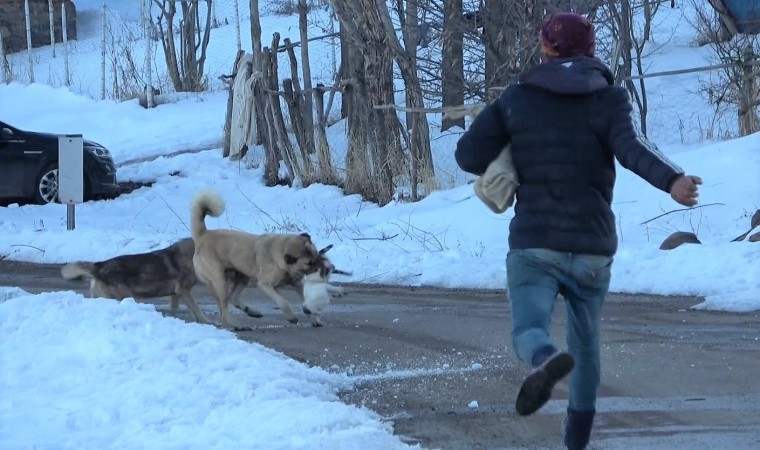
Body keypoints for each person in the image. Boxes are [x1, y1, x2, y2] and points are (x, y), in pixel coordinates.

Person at [454, 12, 702, 450]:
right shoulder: (608, 99)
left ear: (545, 48)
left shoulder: (517, 98)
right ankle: (576, 442)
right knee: (586, 345)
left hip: (534, 244)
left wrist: (502, 127)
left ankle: (545, 359)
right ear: (590, 50)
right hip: (592, 247)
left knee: (528, 328)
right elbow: (631, 150)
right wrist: (672, 181)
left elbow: (468, 157)